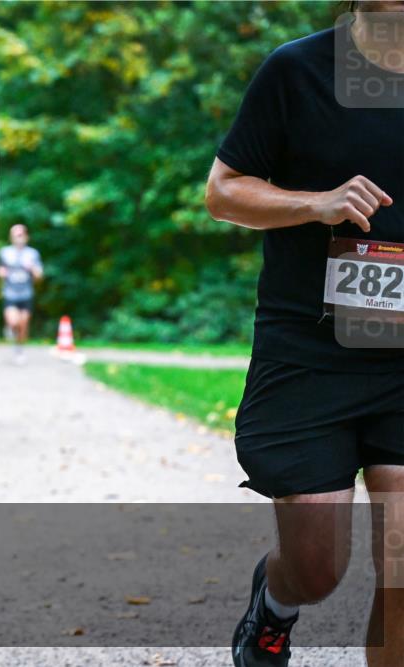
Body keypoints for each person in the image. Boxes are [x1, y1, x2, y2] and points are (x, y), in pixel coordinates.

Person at [204, 4, 403, 666]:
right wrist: (314, 204)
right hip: (312, 349)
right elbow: (224, 191)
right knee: (318, 566)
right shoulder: (298, 71)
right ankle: (274, 606)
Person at [0, 224, 43, 364]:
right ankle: (10, 327)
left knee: (23, 324)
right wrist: (1, 273)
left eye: (21, 234)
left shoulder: (32, 254)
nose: (18, 237)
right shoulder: (5, 252)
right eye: (15, 234)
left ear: (26, 236)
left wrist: (32, 269)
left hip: (26, 294)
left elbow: (39, 276)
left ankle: (19, 349)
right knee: (13, 321)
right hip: (10, 293)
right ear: (11, 237)